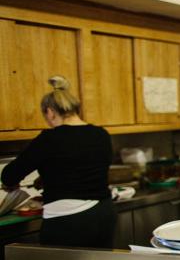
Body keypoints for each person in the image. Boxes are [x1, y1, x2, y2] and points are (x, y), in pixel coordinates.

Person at [1, 76, 116, 248]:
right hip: (104, 213)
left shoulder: (49, 139)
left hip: (68, 220)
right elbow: (88, 169)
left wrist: (13, 184)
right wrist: (48, 179)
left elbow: (9, 176)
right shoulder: (101, 134)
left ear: (50, 112)